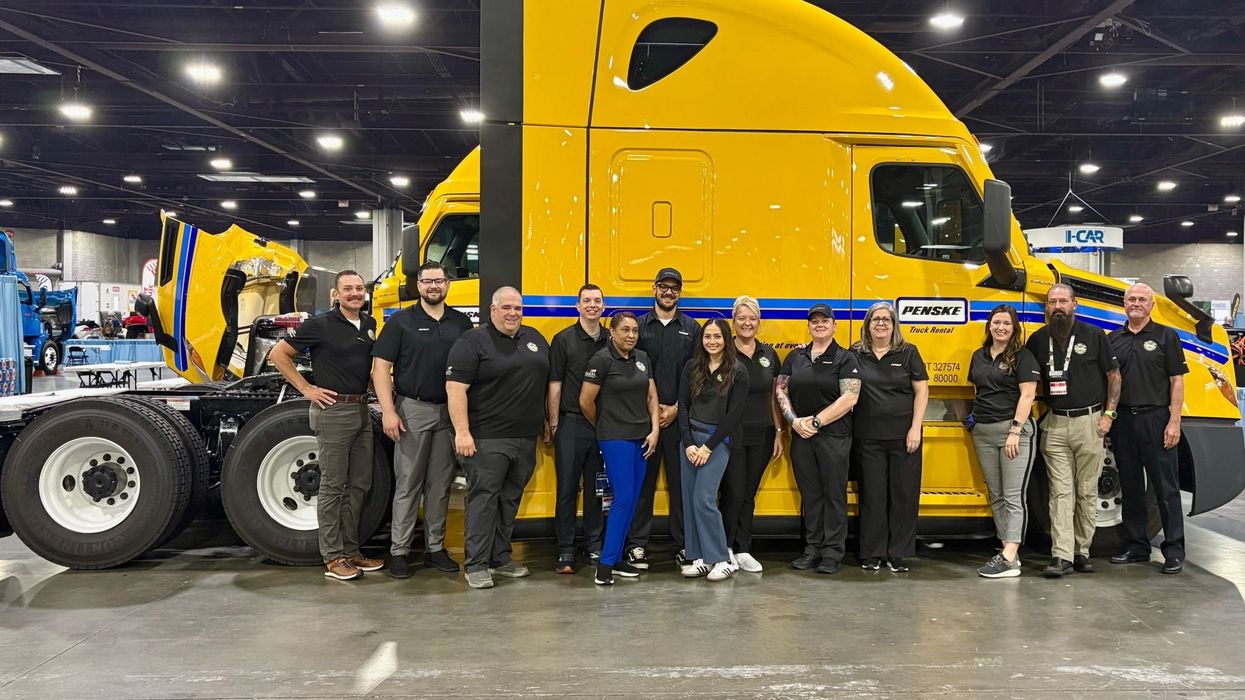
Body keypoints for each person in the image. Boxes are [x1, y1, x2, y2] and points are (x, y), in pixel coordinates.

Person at [270, 270, 383, 581]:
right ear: (336, 294)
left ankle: (352, 551)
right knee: (333, 486)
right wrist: (306, 389)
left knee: (359, 484)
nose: (355, 294)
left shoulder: (369, 325)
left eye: (359, 288)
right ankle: (333, 558)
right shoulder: (319, 325)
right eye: (348, 289)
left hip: (361, 409)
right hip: (333, 412)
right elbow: (278, 354)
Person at [370, 261, 473, 579]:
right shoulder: (401, 322)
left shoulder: (461, 323)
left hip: (449, 412)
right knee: (408, 483)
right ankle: (399, 551)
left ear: (447, 285)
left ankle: (434, 549)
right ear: (418, 286)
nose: (434, 286)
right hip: (412, 410)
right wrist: (388, 411)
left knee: (440, 485)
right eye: (428, 281)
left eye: (439, 281)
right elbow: (380, 368)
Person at [446, 286, 551, 589]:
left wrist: (544, 419)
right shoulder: (472, 342)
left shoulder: (534, 339)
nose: (512, 313)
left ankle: (500, 557)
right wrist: (463, 432)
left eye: (517, 308)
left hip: (525, 438)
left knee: (509, 499)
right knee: (484, 500)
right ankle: (476, 564)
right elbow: (455, 389)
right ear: (492, 310)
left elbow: (540, 384)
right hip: (487, 438)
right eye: (506, 307)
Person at [1025, 283, 1120, 578]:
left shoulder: (1094, 336)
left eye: (1062, 301)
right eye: (1052, 302)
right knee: (1060, 493)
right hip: (1054, 424)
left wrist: (1109, 415)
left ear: (1074, 305)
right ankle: (1061, 556)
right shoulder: (1038, 339)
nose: (1057, 307)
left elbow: (1113, 376)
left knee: (1087, 491)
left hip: (1089, 423)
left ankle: (1082, 551)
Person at [1107, 283, 1189, 574]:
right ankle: (1136, 546)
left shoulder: (1167, 336)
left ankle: (1174, 551)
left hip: (1156, 419)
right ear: (1124, 304)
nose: (1136, 303)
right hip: (1124, 421)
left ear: (1152, 305)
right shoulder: (1113, 338)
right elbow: (1110, 381)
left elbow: (1177, 381)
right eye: (1132, 299)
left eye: (1142, 299)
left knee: (1166, 487)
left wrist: (1174, 420)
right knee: (1130, 486)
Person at [776, 303, 861, 575]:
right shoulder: (796, 356)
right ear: (809, 326)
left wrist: (815, 421)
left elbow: (850, 397)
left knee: (834, 496)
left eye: (825, 320)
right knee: (811, 496)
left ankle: (832, 553)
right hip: (801, 436)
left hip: (833, 437)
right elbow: (780, 390)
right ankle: (811, 549)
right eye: (815, 321)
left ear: (835, 325)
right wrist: (794, 421)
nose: (820, 325)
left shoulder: (846, 358)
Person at [579, 312, 660, 585]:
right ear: (611, 332)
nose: (631, 335)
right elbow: (586, 401)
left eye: (635, 330)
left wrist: (655, 428)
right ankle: (604, 566)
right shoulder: (601, 360)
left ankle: (616, 560)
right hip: (615, 439)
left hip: (642, 437)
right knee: (623, 498)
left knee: (632, 500)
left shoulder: (642, 359)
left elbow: (651, 395)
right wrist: (604, 426)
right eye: (625, 330)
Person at [629, 267, 700, 570]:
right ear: (654, 289)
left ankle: (683, 545)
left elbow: (698, 374)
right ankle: (637, 545)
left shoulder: (692, 328)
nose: (669, 292)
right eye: (664, 286)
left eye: (675, 288)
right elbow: (633, 374)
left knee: (680, 485)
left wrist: (675, 409)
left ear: (680, 293)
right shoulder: (639, 326)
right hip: (645, 420)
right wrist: (653, 410)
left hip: (678, 418)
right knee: (641, 485)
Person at [853, 301, 929, 573]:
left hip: (904, 437)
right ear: (868, 325)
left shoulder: (908, 352)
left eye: (886, 319)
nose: (881, 324)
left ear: (894, 325)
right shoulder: (856, 353)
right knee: (872, 497)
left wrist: (915, 428)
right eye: (876, 319)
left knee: (903, 495)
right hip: (868, 438)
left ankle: (899, 553)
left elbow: (922, 392)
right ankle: (872, 552)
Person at [968, 304, 1041, 578]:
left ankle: (1009, 556)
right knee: (996, 495)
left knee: (1013, 496)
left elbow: (1027, 396)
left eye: (1006, 324)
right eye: (996, 322)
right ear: (989, 326)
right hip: (983, 432)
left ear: (1014, 328)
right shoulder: (979, 356)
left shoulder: (1024, 357)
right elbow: (977, 390)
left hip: (1013, 434)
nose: (1000, 327)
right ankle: (1007, 552)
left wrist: (1015, 430)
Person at [677, 318, 748, 582]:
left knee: (703, 499)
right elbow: (682, 405)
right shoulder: (692, 367)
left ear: (726, 339)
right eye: (707, 336)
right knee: (689, 498)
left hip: (717, 441)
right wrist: (688, 443)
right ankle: (699, 557)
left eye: (717, 336)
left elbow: (734, 415)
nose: (712, 341)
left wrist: (707, 447)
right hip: (690, 441)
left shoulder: (738, 372)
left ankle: (721, 558)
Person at [547, 285, 608, 574]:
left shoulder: (612, 339)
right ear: (578, 305)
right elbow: (555, 383)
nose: (592, 305)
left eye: (597, 301)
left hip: (604, 428)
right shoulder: (563, 340)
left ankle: (594, 546)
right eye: (587, 301)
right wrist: (554, 422)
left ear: (603, 306)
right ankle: (566, 551)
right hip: (571, 424)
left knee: (598, 491)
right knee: (568, 490)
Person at [720, 296, 784, 573]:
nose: (747, 323)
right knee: (732, 492)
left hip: (763, 432)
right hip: (731, 433)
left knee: (748, 493)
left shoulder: (769, 354)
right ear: (733, 322)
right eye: (742, 318)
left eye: (752, 318)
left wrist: (779, 431)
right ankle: (724, 548)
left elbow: (774, 396)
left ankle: (743, 548)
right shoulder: (723, 352)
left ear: (759, 323)